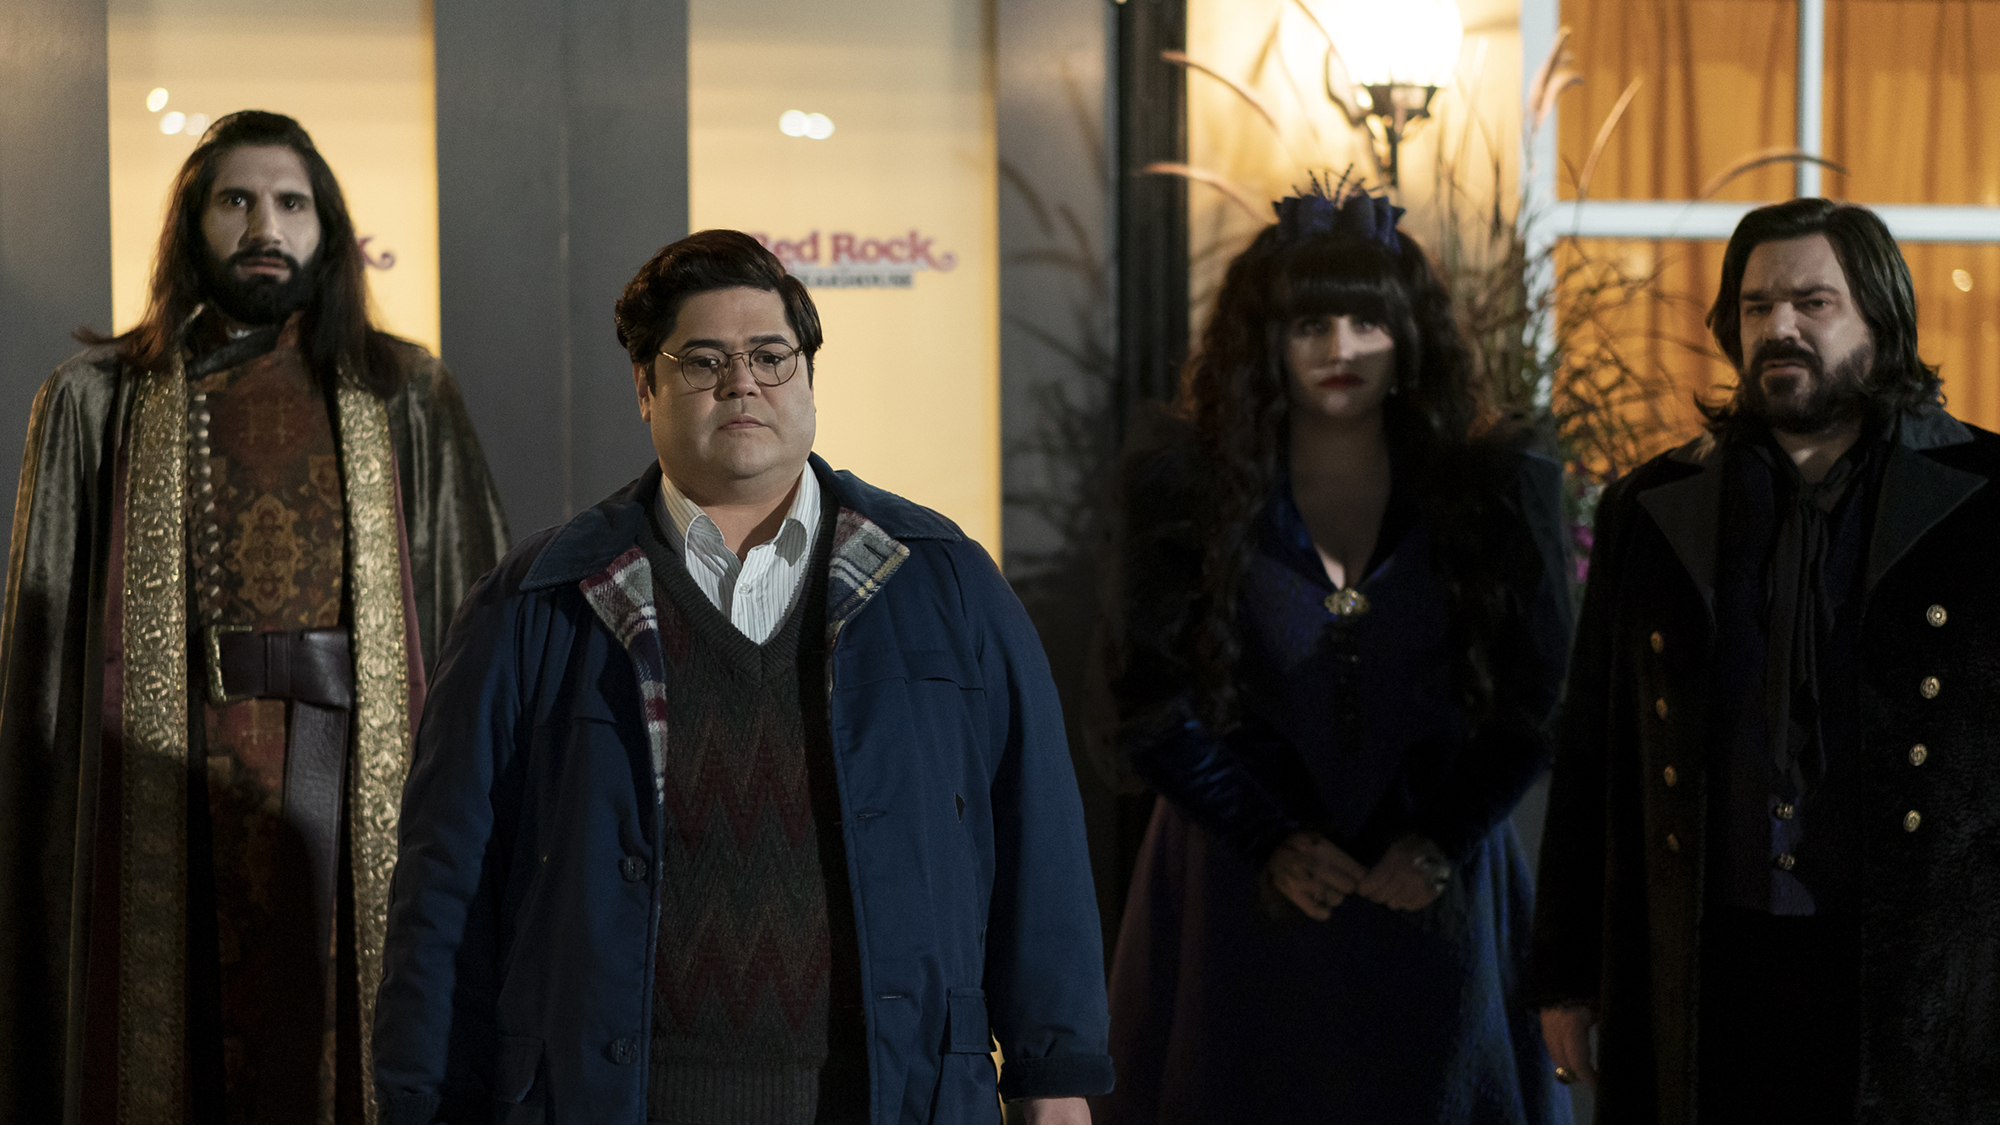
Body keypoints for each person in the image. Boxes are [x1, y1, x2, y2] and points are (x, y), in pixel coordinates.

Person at [371, 229, 1112, 1125]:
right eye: (703, 361)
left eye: (770, 356)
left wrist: (1054, 1076)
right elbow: (445, 885)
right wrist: (421, 1100)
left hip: (892, 1098)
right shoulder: (537, 602)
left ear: (808, 378)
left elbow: (1039, 838)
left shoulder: (942, 579)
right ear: (643, 386)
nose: (742, 383)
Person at [0, 110, 509, 1125]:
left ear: (328, 226)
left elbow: (474, 615)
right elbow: (44, 664)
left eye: (290, 203)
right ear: (193, 222)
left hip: (359, 780)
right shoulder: (96, 399)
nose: (265, 226)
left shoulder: (405, 394)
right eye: (236, 200)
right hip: (167, 787)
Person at [1090, 182, 1574, 1124]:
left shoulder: (1493, 490)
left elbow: (1539, 695)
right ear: (1266, 339)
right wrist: (1266, 839)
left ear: (1411, 337)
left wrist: (1442, 837)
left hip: (1432, 895)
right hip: (1239, 895)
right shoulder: (1183, 490)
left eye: (1368, 321)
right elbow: (1145, 697)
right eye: (1311, 323)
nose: (1340, 348)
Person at [1531, 197, 2000, 1121]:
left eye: (1813, 303)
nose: (1779, 326)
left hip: (1922, 970)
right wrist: (1567, 977)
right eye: (1756, 306)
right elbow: (1594, 756)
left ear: (1882, 319)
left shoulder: (1985, 499)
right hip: (1712, 967)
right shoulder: (1652, 505)